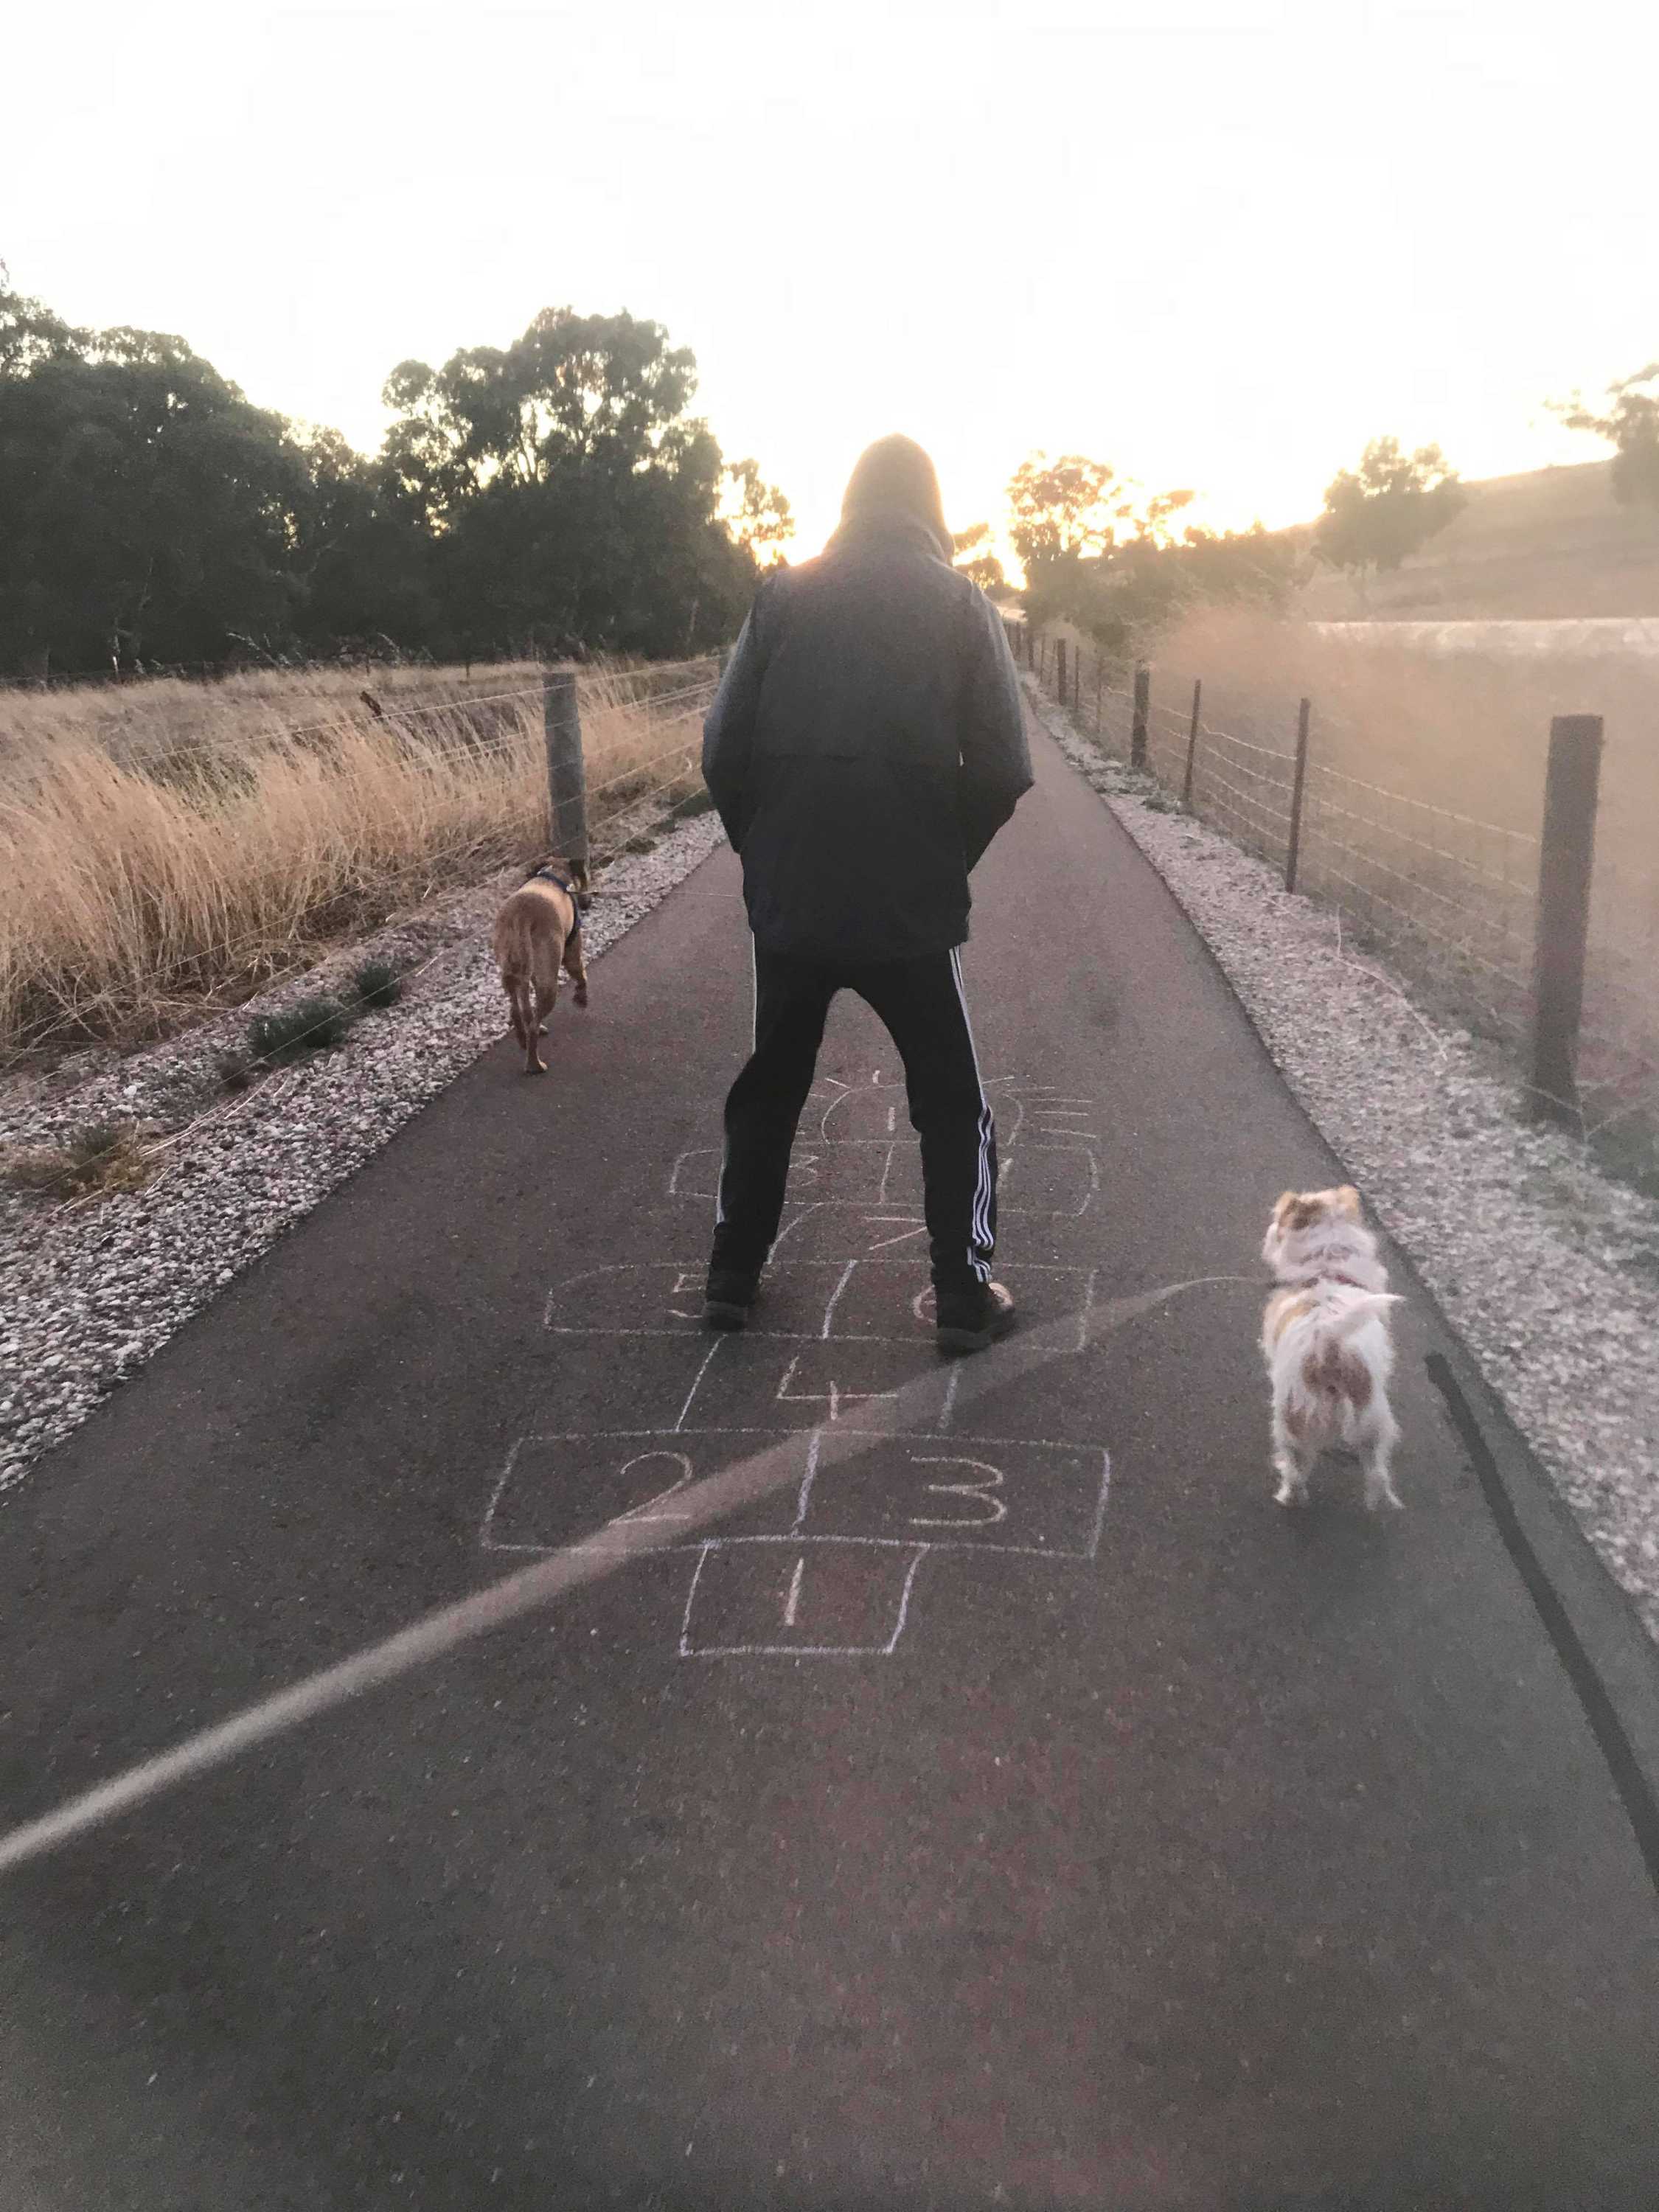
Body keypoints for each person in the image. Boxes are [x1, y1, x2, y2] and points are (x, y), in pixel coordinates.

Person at [699, 434, 1033, 1354]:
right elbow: (1005, 766)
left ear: (848, 503)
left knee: (772, 1083)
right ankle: (962, 1294)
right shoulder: (963, 605)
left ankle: (731, 1273)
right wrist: (940, 857)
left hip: (793, 898)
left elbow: (720, 751)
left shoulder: (783, 594)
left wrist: (765, 855)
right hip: (908, 903)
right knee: (949, 1095)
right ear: (932, 508)